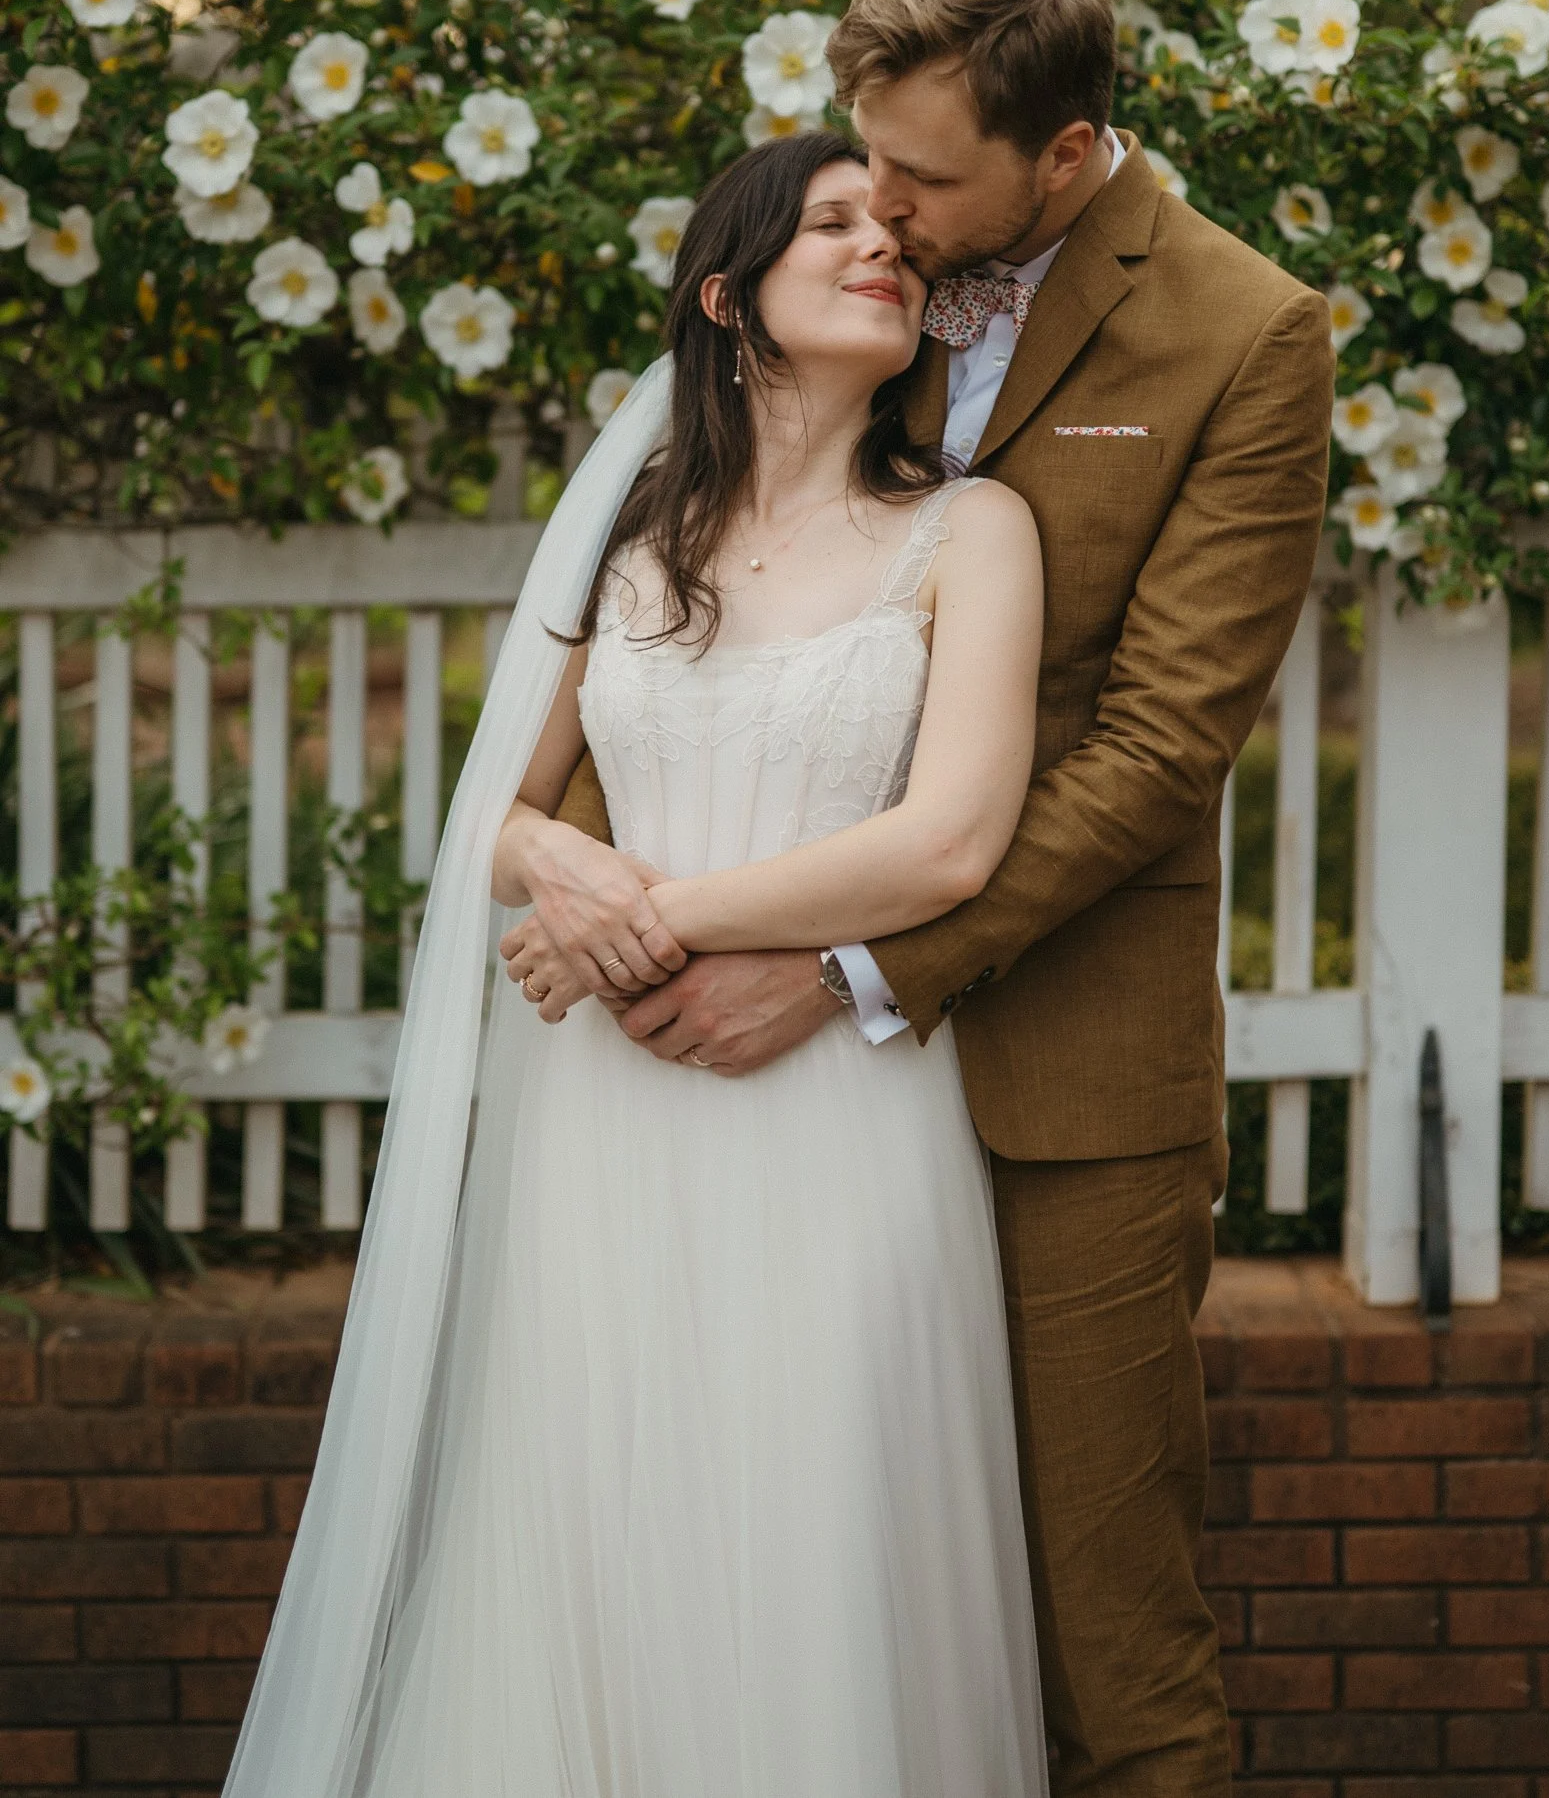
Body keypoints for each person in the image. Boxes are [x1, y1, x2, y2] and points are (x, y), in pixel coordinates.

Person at [520, 0, 1337, 1794]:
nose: (875, 203)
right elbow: (708, 628)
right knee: (789, 1579)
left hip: (1062, 1076)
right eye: (860, 153)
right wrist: (574, 871)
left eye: (921, 171)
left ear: (1063, 154)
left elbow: (1155, 746)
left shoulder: (1242, 333)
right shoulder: (856, 289)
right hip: (738, 1079)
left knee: (1101, 1637)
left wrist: (855, 966)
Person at [232, 126, 1054, 1798]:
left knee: (813, 1527)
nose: (882, 246)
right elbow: (494, 816)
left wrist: (650, 916)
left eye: (893, 228)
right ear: (726, 297)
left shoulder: (972, 534)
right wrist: (564, 865)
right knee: (594, 1524)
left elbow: (950, 843)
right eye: (833, 225)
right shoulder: (625, 549)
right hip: (594, 1127)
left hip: (839, 1117)